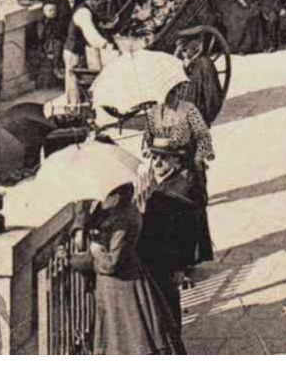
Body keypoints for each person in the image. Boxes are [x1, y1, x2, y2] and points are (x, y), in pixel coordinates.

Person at [72, 184, 185, 355]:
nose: (102, 201)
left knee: (127, 338)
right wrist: (82, 229)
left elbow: (112, 264)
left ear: (116, 197)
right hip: (124, 283)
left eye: (107, 197)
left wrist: (94, 252)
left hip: (120, 287)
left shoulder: (123, 221)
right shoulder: (123, 210)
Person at [137, 87, 217, 322]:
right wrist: (152, 150)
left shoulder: (189, 110)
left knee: (187, 212)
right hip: (162, 160)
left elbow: (203, 136)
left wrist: (197, 159)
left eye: (170, 94)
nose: (166, 100)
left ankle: (188, 258)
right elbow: (147, 136)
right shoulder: (153, 113)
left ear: (177, 92)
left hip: (187, 166)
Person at [172, 27, 225, 124]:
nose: (184, 54)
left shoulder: (202, 64)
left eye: (185, 51)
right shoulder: (196, 60)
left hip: (203, 101)